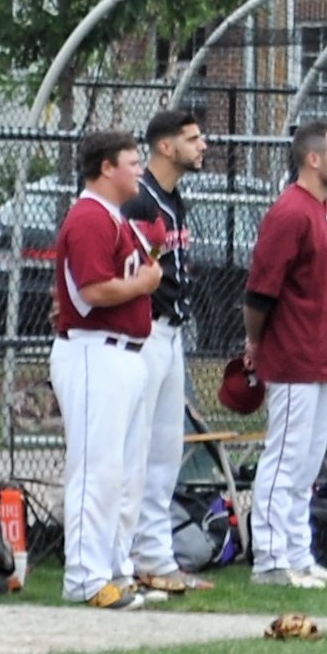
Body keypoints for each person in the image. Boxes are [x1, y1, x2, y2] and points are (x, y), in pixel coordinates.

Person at [51, 129, 169, 609]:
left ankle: (115, 569)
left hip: (125, 353)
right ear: (106, 168)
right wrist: (144, 282)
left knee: (123, 473)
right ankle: (84, 576)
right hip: (92, 350)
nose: (140, 170)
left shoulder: (114, 218)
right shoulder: (88, 218)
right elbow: (91, 292)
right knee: (95, 469)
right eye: (132, 161)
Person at [245, 120, 327, 590]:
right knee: (284, 459)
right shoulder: (291, 212)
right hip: (292, 356)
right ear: (313, 158)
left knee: (307, 465)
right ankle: (269, 559)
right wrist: (255, 342)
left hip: (323, 354)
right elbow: (260, 291)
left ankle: (296, 553)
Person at [124, 104, 212, 597]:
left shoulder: (174, 199)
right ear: (164, 146)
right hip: (143, 332)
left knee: (165, 451)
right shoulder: (141, 199)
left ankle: (157, 557)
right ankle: (129, 557)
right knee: (138, 451)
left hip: (172, 333)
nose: (202, 146)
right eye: (192, 138)